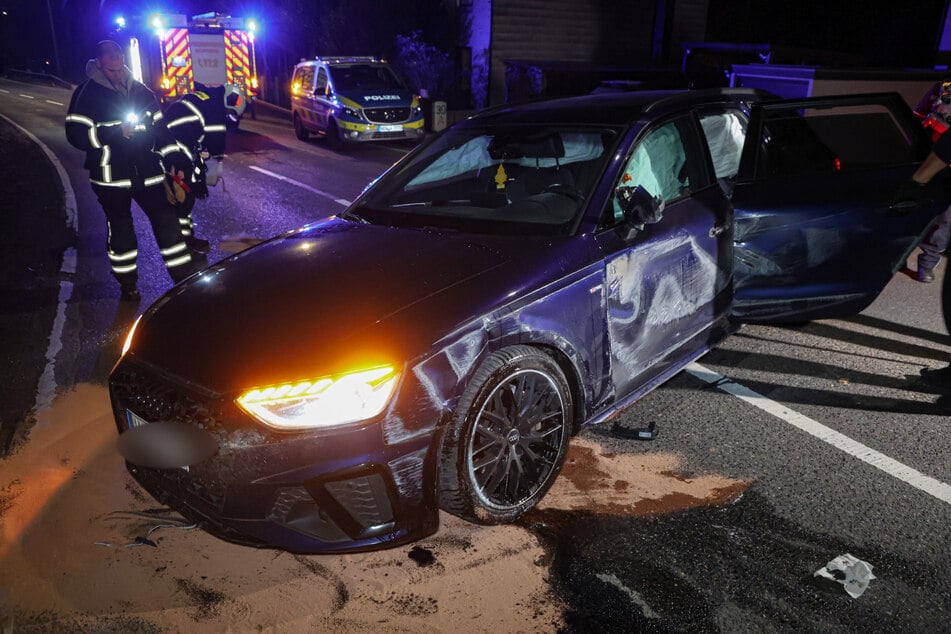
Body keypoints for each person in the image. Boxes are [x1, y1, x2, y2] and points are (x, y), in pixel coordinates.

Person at [65, 40, 196, 301]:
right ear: (100, 63)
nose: (116, 67)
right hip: (110, 177)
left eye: (119, 60)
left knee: (168, 225)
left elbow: (162, 132)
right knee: (121, 230)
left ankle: (184, 283)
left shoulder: (141, 91)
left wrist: (176, 159)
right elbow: (75, 133)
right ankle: (128, 285)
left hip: (149, 173)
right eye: (110, 63)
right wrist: (112, 133)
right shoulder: (87, 93)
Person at [158, 83, 246, 252]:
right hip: (176, 149)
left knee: (184, 191)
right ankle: (184, 240)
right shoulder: (216, 107)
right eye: (229, 114)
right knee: (185, 194)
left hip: (171, 142)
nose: (227, 117)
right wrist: (213, 171)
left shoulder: (206, 98)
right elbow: (216, 144)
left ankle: (184, 237)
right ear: (229, 103)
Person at [912, 81, 951, 283]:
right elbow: (918, 115)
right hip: (928, 152)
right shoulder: (942, 85)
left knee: (946, 217)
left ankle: (927, 262)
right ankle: (895, 255)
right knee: (911, 202)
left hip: (948, 160)